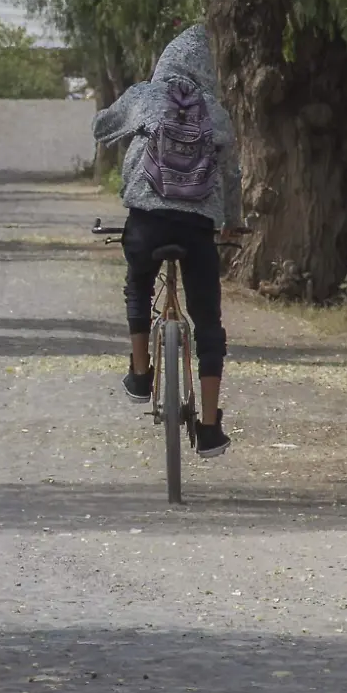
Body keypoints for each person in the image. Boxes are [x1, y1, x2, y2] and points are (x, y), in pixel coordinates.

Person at [91, 25, 243, 458]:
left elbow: (102, 127)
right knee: (209, 323)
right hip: (197, 226)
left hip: (148, 219)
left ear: (165, 62)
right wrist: (231, 221)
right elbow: (231, 175)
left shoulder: (146, 95)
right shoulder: (215, 112)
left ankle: (141, 375)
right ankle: (210, 427)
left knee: (138, 284)